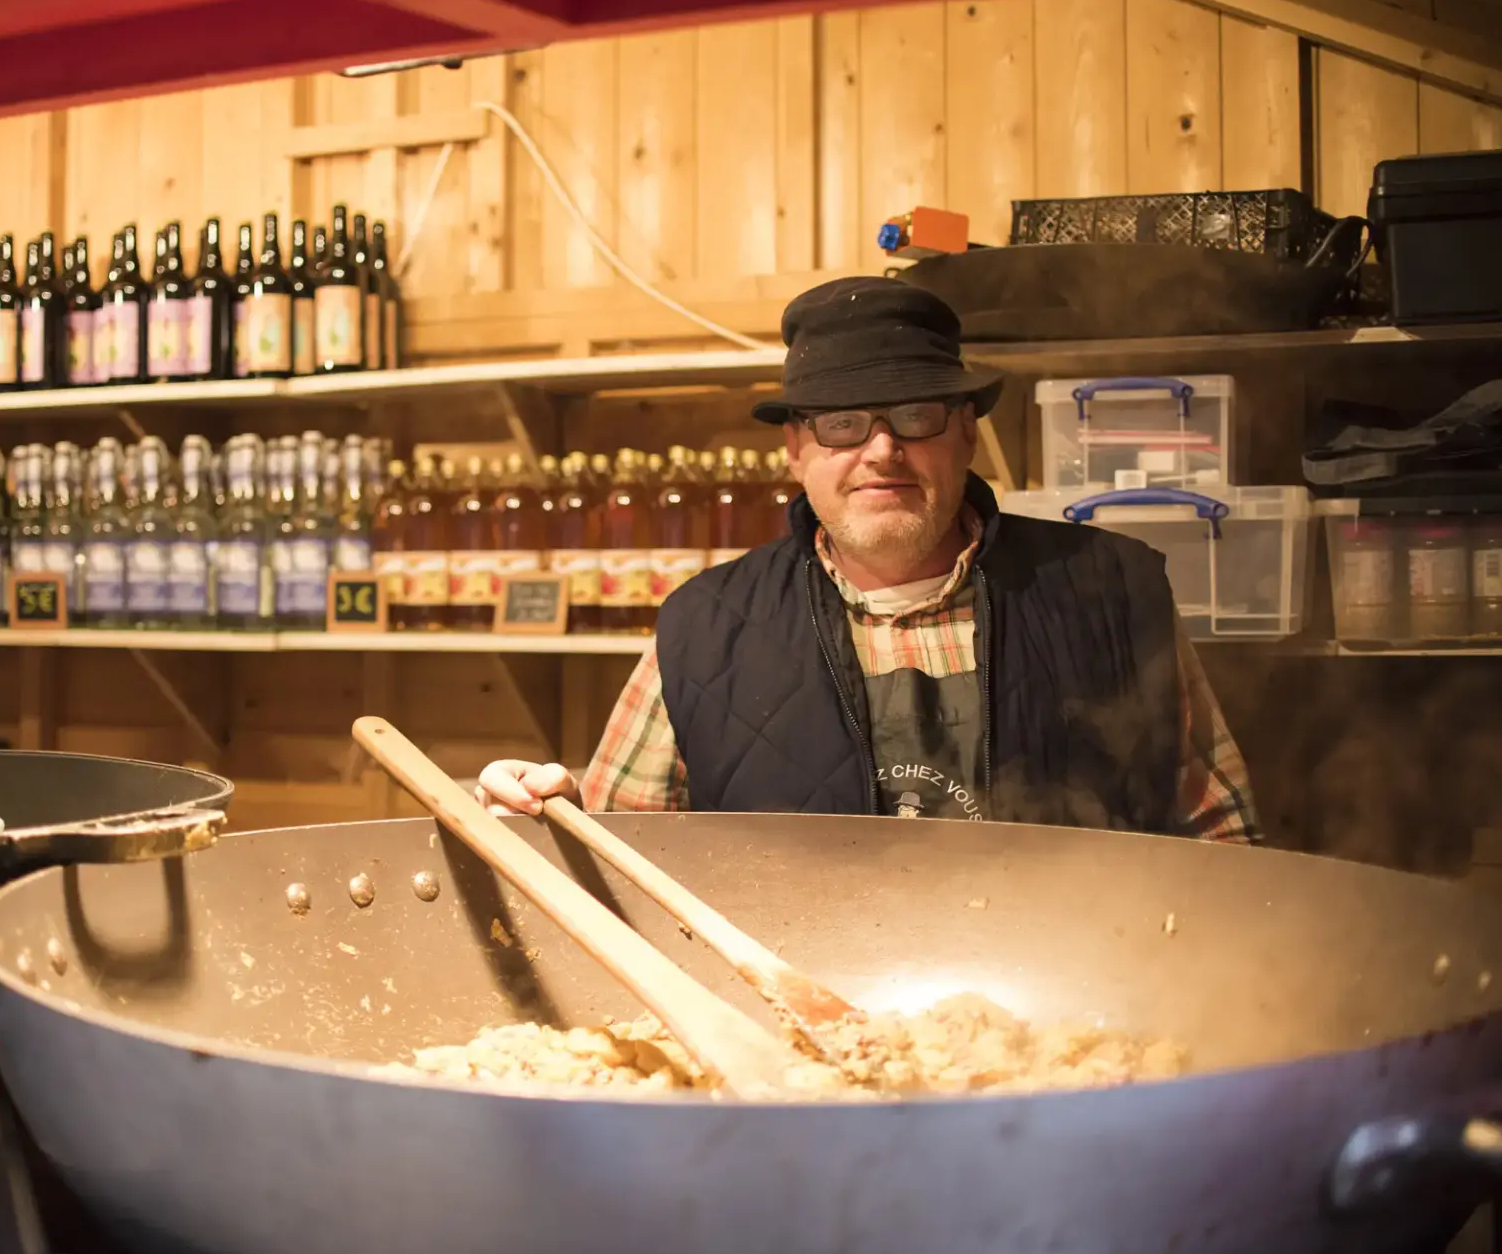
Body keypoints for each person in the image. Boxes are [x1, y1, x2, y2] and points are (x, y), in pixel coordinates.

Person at [477, 277, 1259, 842]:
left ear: (965, 432)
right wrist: (551, 815)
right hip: (791, 1042)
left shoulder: (1110, 593)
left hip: (1071, 1028)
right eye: (844, 423)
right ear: (795, 450)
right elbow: (621, 863)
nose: (881, 450)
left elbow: (1224, 842)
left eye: (914, 415)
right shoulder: (704, 628)